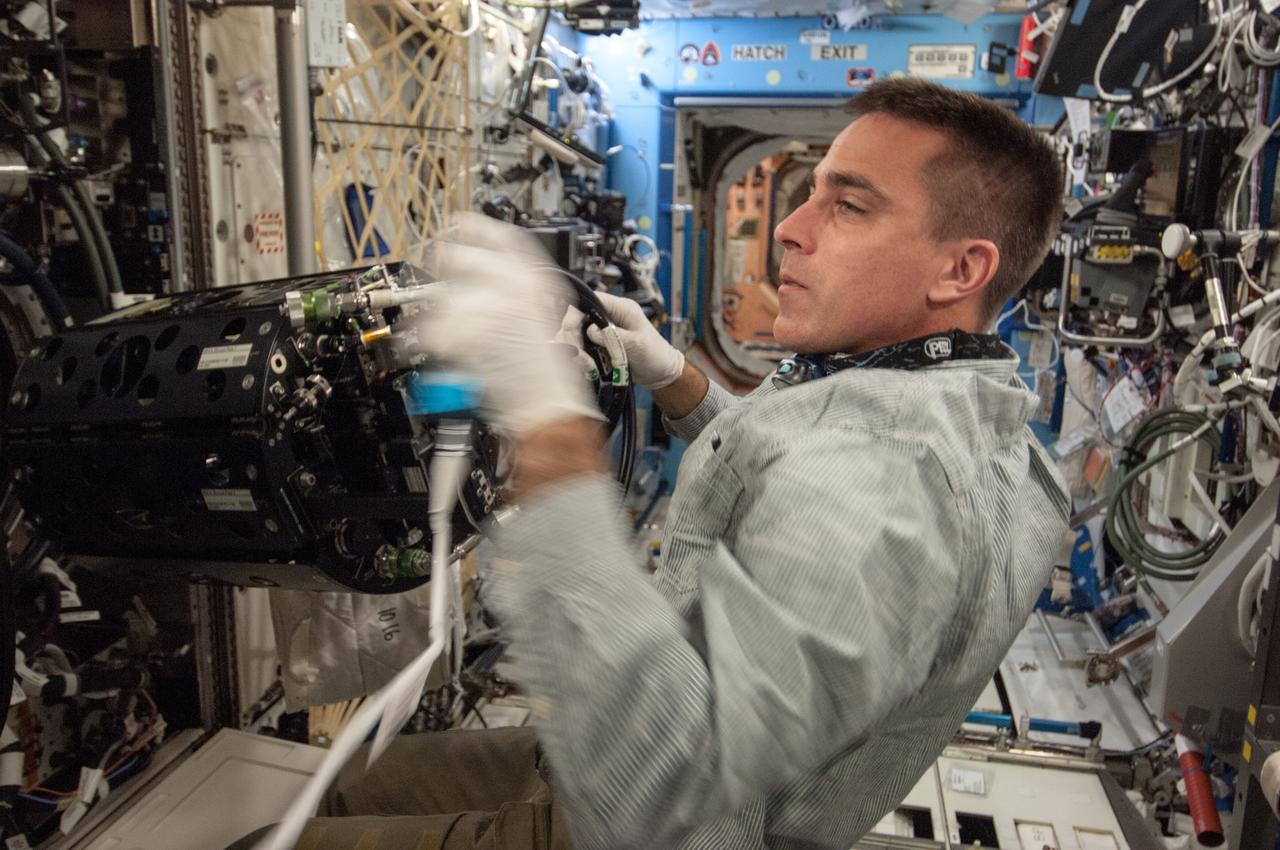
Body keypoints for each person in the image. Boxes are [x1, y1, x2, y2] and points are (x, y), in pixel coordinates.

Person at [275, 77, 1071, 850]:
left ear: (960, 270)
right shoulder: (965, 410)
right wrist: (673, 376)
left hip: (645, 806)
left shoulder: (890, 470)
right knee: (340, 790)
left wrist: (548, 422)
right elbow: (805, 487)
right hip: (611, 744)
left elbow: (656, 787)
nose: (791, 228)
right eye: (812, 192)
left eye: (850, 206)